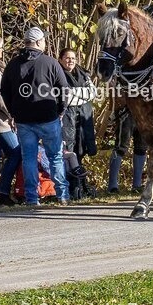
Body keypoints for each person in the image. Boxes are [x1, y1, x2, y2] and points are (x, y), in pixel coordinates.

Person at [0, 27, 71, 205]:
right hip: (48, 117)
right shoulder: (51, 63)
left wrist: (13, 112)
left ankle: (32, 197)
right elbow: (64, 90)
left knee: (29, 158)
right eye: (44, 40)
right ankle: (62, 195)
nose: (45, 42)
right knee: (55, 157)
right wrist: (60, 111)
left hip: (23, 120)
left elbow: (5, 92)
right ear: (38, 42)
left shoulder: (13, 64)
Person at [59, 48, 97, 199]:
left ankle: (80, 186)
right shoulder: (58, 74)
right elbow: (63, 97)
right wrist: (81, 95)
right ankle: (71, 187)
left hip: (83, 118)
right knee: (68, 152)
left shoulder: (83, 74)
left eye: (73, 58)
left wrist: (74, 94)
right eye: (67, 58)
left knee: (80, 150)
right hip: (67, 119)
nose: (71, 61)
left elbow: (92, 93)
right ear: (61, 59)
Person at [0, 34, 20, 205]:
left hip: (0, 120)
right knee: (15, 152)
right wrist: (12, 114)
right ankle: (2, 191)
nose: (2, 50)